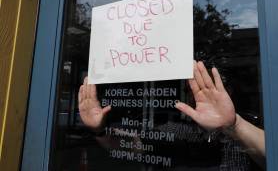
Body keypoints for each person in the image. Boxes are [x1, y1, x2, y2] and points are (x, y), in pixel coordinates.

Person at [78, 61, 265, 168]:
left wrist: (233, 125)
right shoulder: (182, 131)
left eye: (208, 88)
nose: (196, 96)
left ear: (230, 91)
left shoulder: (252, 125)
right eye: (191, 89)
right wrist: (99, 130)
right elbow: (129, 145)